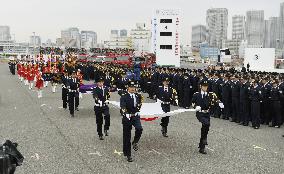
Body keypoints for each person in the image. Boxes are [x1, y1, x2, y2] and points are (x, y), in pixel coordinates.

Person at [192, 80, 223, 154]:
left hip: (207, 113)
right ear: (200, 86)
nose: (205, 88)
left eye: (206, 86)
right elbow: (193, 103)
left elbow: (216, 99)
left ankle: (202, 147)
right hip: (200, 113)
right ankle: (204, 139)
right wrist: (196, 106)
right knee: (206, 124)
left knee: (205, 128)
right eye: (203, 86)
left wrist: (220, 103)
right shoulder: (196, 94)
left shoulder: (210, 94)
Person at [120, 81, 143, 162]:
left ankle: (135, 142)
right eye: (131, 87)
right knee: (127, 137)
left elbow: (140, 103)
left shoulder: (137, 95)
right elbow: (122, 106)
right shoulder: (124, 96)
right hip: (127, 117)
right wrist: (126, 113)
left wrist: (138, 109)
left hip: (135, 116)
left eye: (134, 87)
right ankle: (128, 154)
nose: (133, 89)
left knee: (139, 129)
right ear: (128, 88)